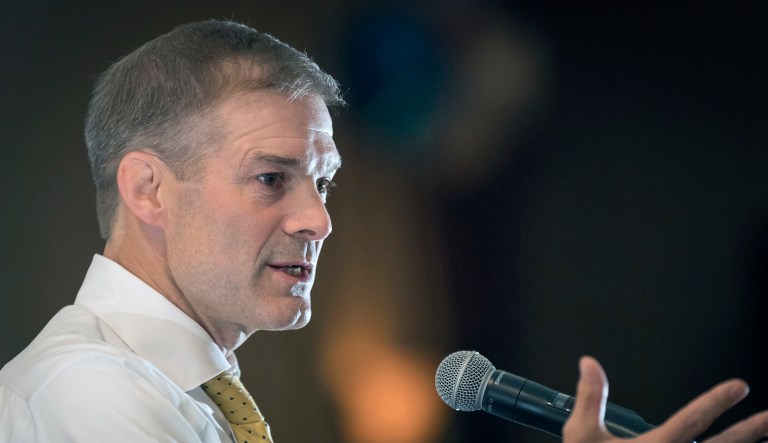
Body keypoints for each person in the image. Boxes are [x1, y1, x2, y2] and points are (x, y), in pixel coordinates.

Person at [0, 18, 766, 443]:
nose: (319, 218)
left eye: (323, 181)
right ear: (148, 189)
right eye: (271, 178)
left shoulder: (176, 388)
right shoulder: (91, 395)